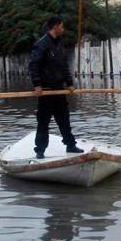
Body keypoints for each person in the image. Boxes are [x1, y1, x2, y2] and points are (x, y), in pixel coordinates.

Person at [28, 16, 82, 159]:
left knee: (64, 120)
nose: (63, 29)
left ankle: (70, 145)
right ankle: (40, 150)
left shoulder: (59, 44)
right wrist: (37, 84)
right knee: (43, 122)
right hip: (46, 91)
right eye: (62, 26)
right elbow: (33, 65)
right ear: (55, 26)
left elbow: (64, 65)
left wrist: (69, 83)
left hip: (59, 89)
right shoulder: (41, 44)